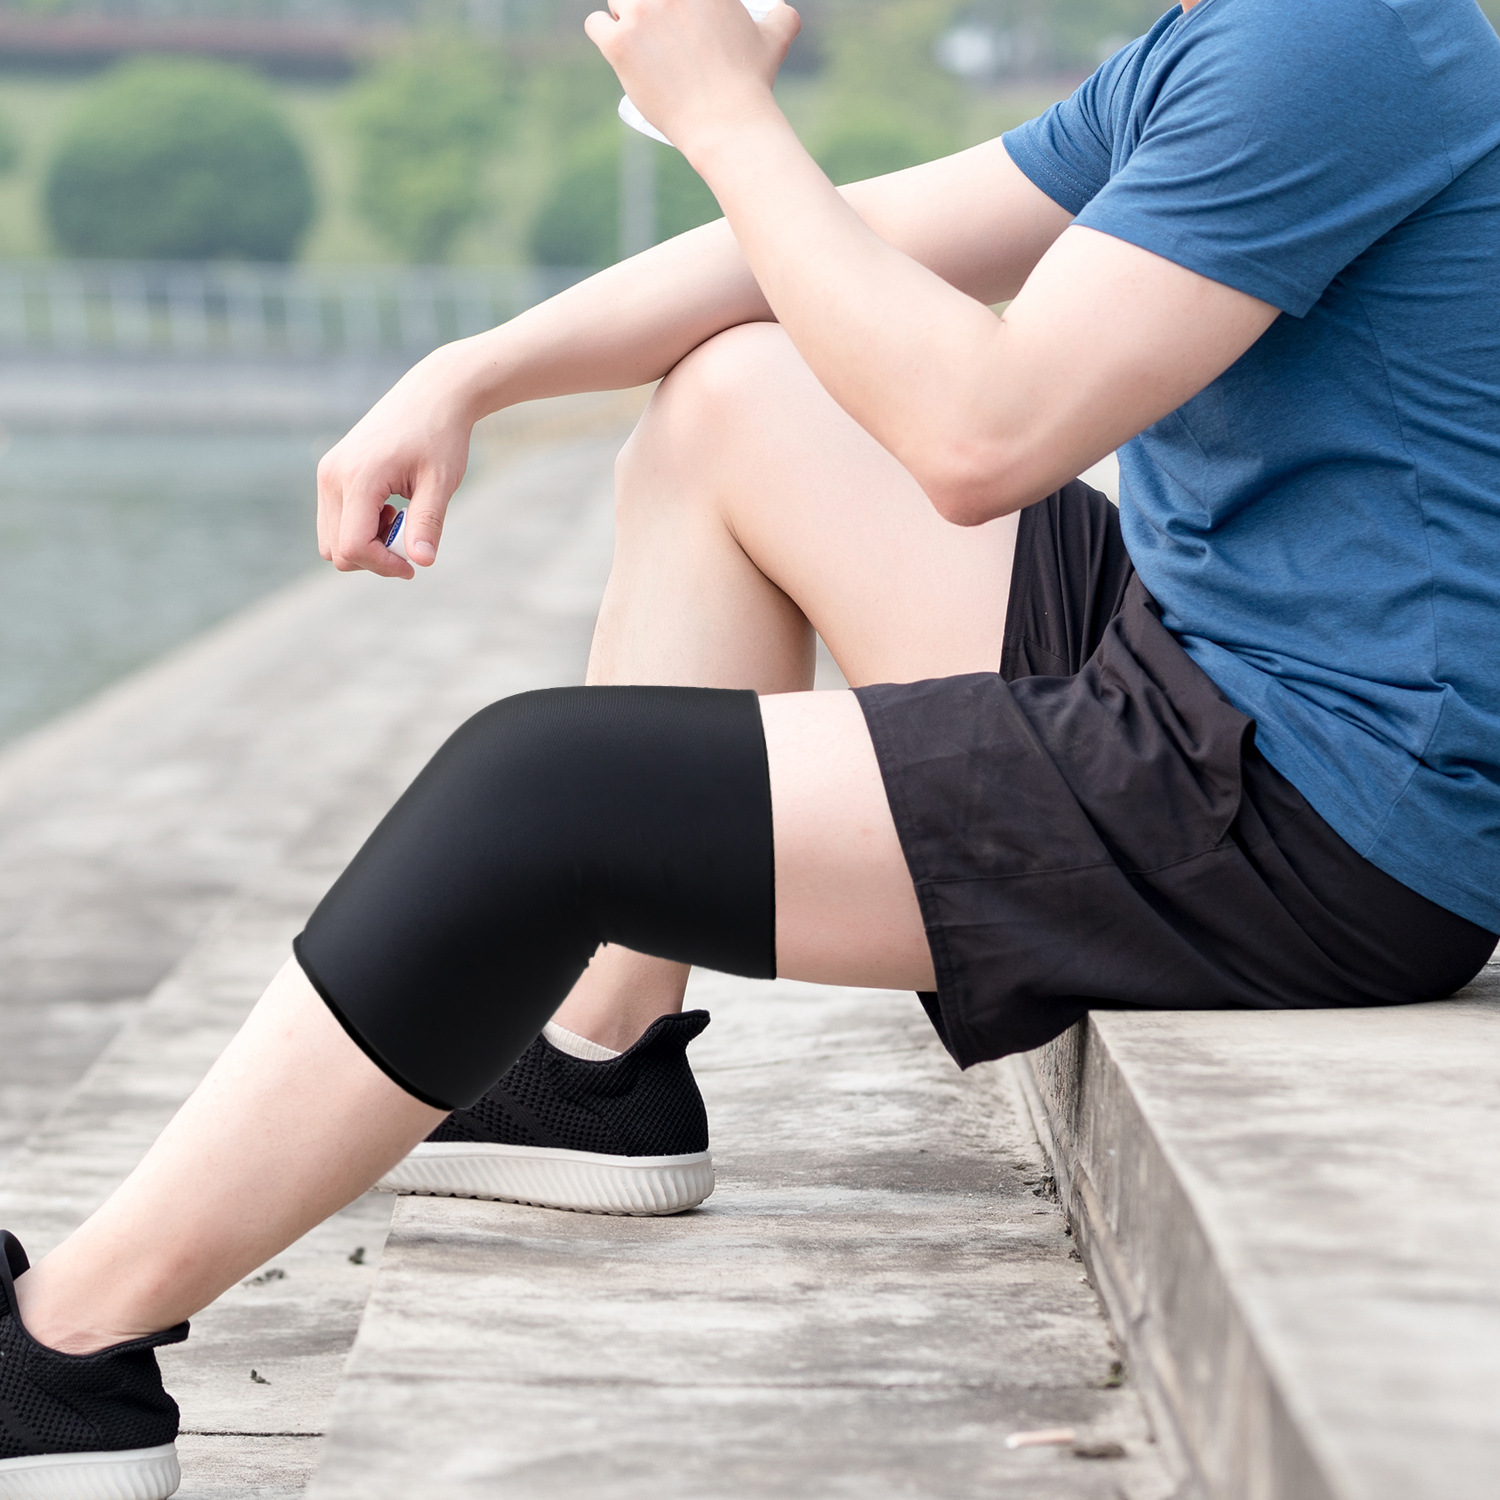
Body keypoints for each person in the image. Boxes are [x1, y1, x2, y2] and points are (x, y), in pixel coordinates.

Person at [4, 0, 1499, 1493]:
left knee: (543, 794)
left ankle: (63, 1357)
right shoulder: (1233, 38)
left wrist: (725, 118)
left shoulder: (1333, 34)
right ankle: (588, 1069)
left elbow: (983, 439)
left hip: (1320, 807)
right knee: (743, 387)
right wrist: (472, 369)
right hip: (1206, 664)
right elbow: (825, 246)